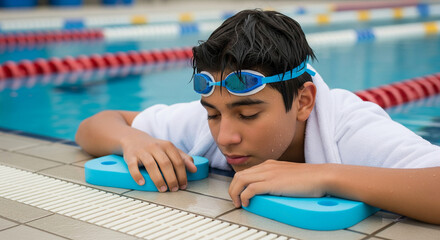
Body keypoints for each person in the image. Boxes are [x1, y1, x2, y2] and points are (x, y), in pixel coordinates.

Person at [76, 9, 440, 224]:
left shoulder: (348, 128)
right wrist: (133, 139)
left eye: (248, 114)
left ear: (303, 102)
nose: (225, 136)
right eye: (213, 114)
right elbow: (94, 126)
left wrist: (323, 175)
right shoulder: (212, 118)